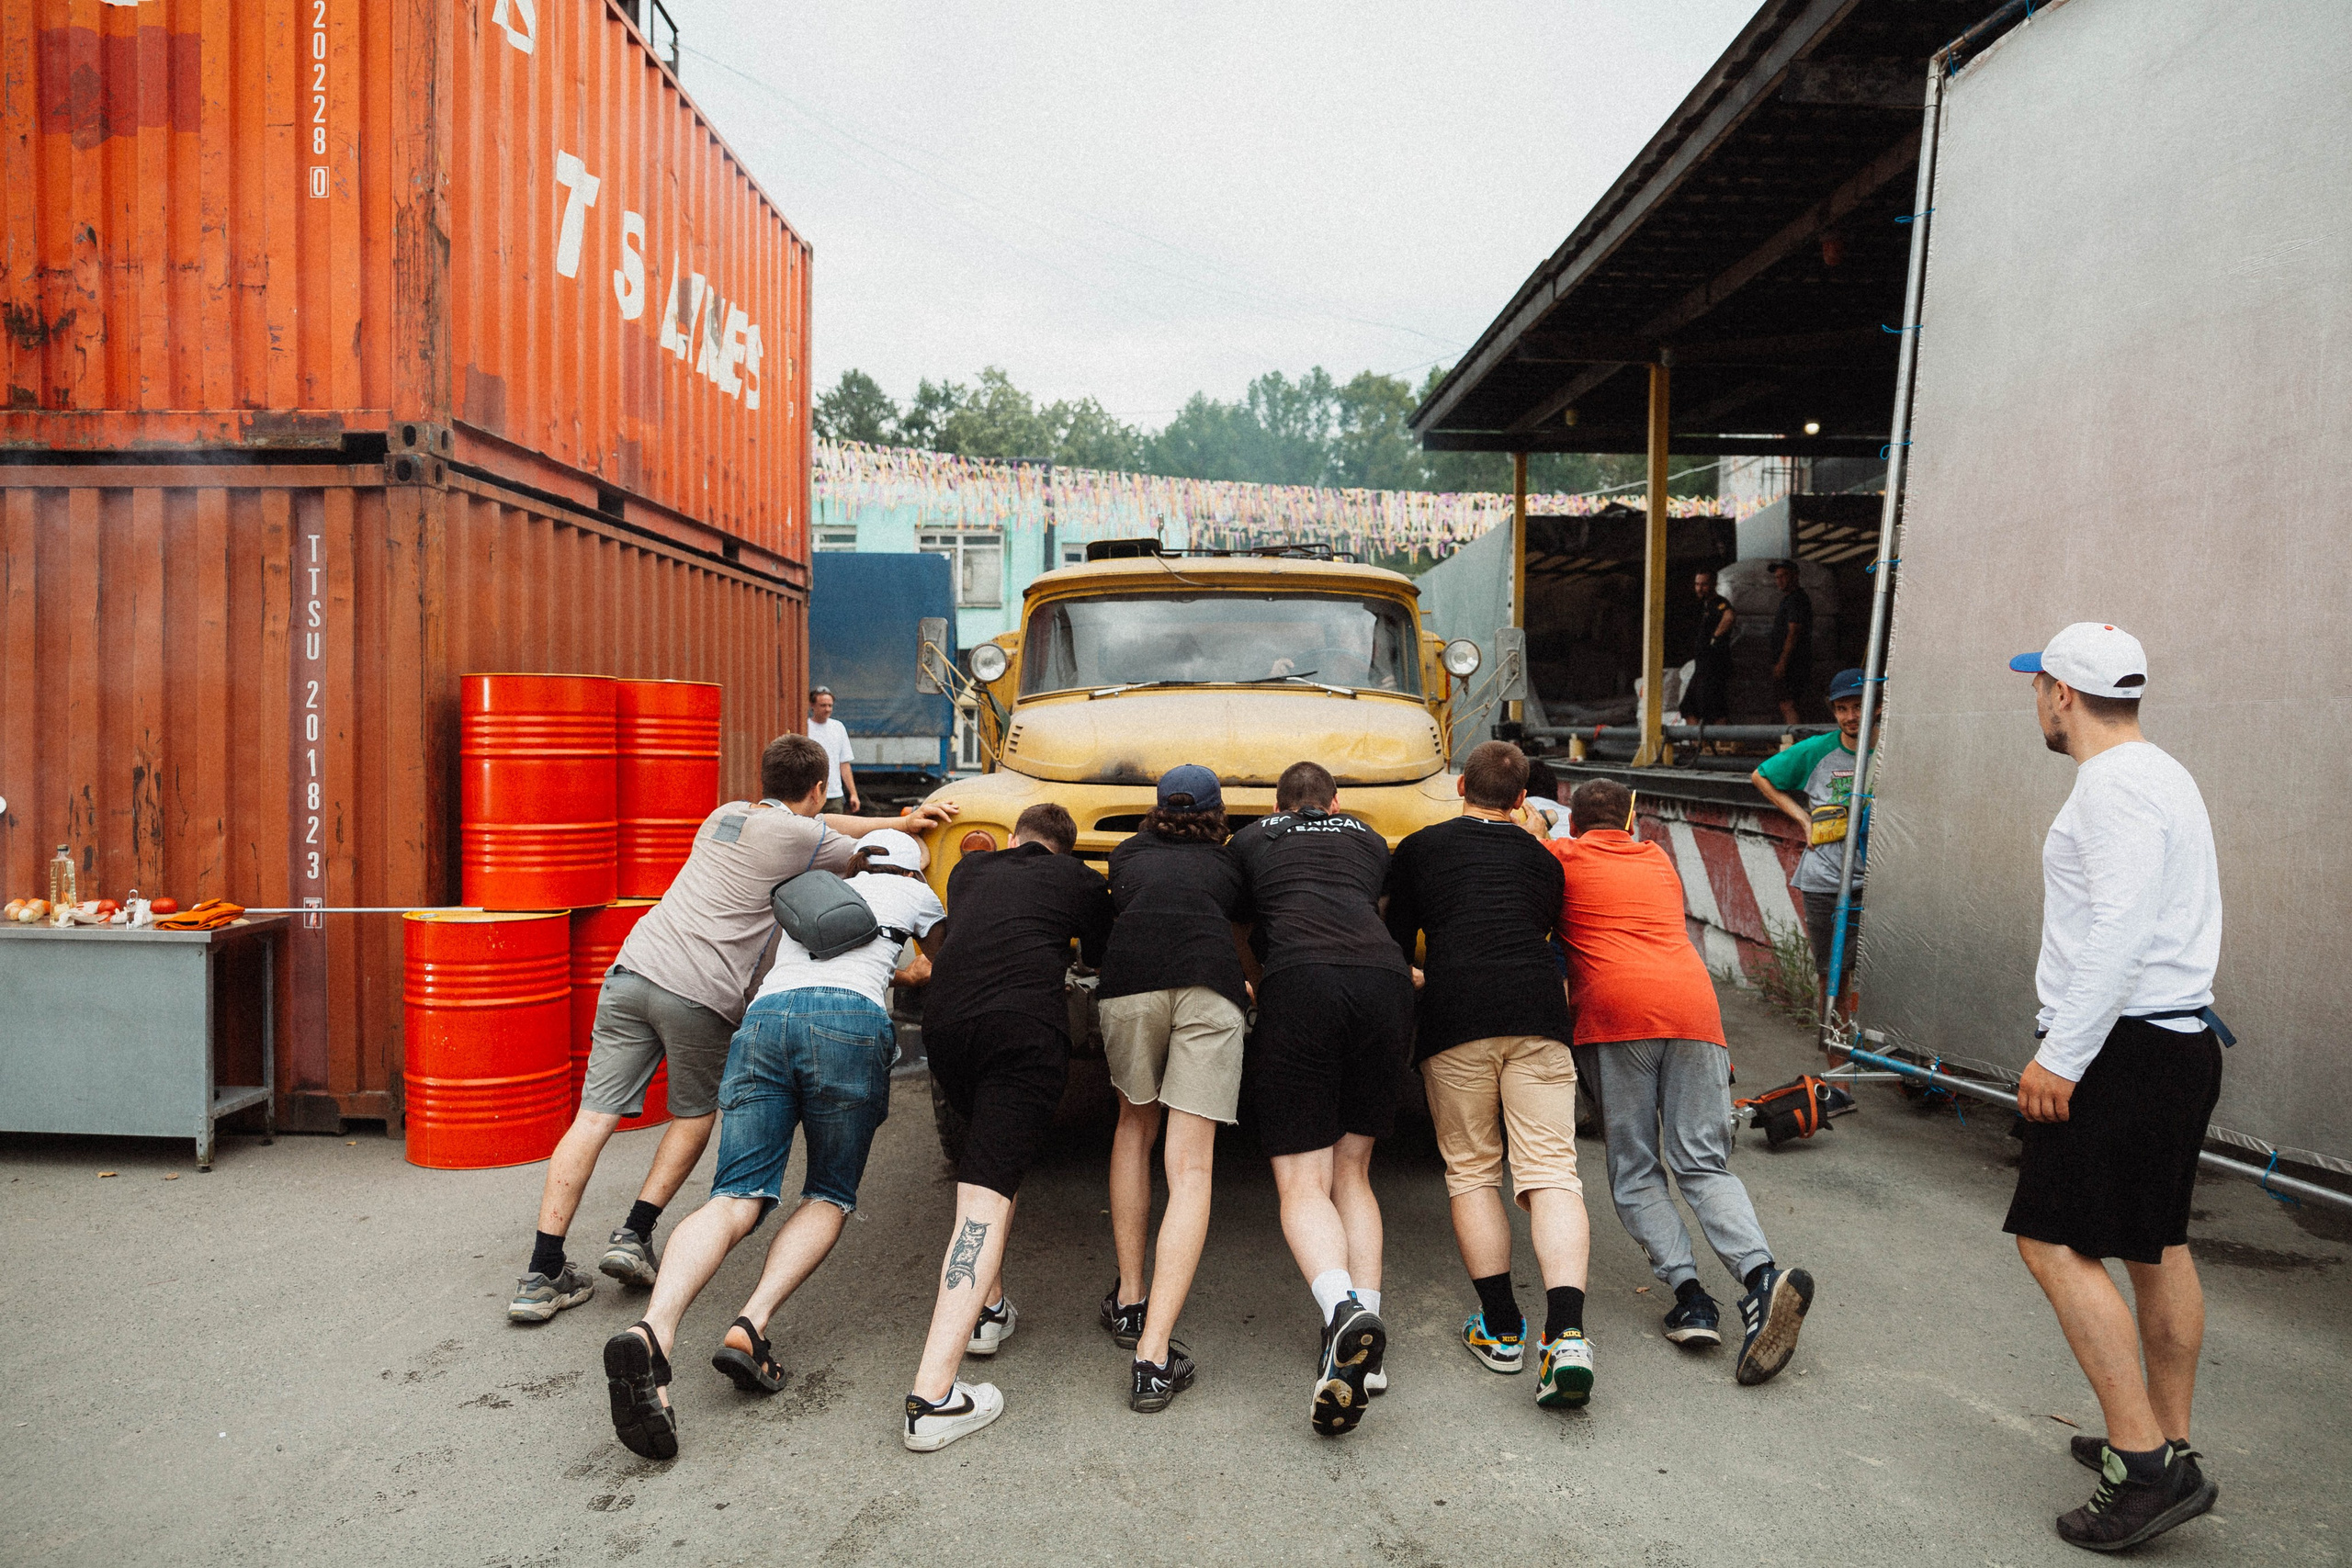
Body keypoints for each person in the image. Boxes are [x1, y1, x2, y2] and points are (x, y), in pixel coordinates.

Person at [507, 736, 953, 1325]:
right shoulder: (810, 840)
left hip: (633, 966)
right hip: (698, 990)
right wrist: (904, 823)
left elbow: (810, 817)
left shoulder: (724, 815)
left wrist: (888, 813)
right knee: (693, 1115)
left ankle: (542, 1272)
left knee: (594, 1117)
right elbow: (867, 849)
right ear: (819, 789)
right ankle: (634, 1234)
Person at [601, 829, 944, 1459]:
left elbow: (784, 965)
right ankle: (749, 1325)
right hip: (847, 1022)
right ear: (914, 871)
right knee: (828, 1193)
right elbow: (943, 963)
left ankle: (653, 1331)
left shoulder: (818, 892)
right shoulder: (916, 894)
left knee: (736, 1195)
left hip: (766, 1019)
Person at [2003, 622, 2222, 1552]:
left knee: (2050, 1242)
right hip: (2173, 1042)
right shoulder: (2160, 771)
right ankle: (2169, 1442)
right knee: (2153, 1242)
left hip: (2120, 1049)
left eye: (2036, 686)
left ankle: (2138, 1465)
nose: (2035, 701)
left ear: (2058, 691)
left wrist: (2063, 1055)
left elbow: (2121, 932)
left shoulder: (2111, 786)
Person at [1552, 777, 1816, 1385]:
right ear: (1632, 819)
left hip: (1615, 1017)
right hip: (1695, 1011)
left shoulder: (1563, 857)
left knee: (1637, 1167)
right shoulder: (1658, 860)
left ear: (1573, 822)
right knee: (1703, 1164)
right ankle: (1760, 1280)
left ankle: (1692, 1297)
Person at [1383, 742, 1595, 1410]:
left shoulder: (1419, 847)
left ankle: (1501, 1327)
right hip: (1538, 1014)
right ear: (1522, 799)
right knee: (1553, 1171)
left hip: (1456, 1016)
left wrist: (1420, 976)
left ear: (1457, 786)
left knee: (1473, 1168)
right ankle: (1566, 1339)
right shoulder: (1544, 859)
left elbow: (1396, 938)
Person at [901, 802, 1116, 1452]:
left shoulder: (970, 875)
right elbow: (1099, 956)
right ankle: (933, 1395)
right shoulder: (1077, 879)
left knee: (988, 1165)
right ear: (1063, 847)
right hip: (1023, 1033)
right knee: (983, 1202)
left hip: (948, 1029)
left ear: (1018, 836)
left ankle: (988, 1311)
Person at [1228, 761, 1414, 1438]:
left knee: (1302, 1178)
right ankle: (1369, 1326)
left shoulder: (1251, 838)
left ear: (1276, 803)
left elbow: (1239, 921)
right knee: (1353, 1170)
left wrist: (1258, 982)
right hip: (1384, 980)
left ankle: (1342, 1315)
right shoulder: (1367, 835)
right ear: (1336, 799)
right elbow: (1382, 905)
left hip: (1302, 980)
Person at [1096, 764, 1250, 1413]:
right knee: (1190, 1167)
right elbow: (1239, 932)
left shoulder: (1127, 854)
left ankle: (1130, 1297)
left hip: (1130, 982)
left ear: (1157, 809)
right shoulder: (1229, 864)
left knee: (1135, 1125)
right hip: (1211, 984)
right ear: (1217, 813)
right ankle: (1153, 1354)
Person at [1749, 667, 1875, 1023]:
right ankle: (1836, 1064)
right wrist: (1803, 819)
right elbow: (1760, 776)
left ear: (1876, 705)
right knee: (1832, 974)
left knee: (1883, 974)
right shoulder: (1817, 751)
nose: (1851, 717)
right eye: (1842, 709)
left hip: (1880, 881)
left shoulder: (1889, 749)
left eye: (1858, 706)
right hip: (1825, 881)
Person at [1683, 569, 1736, 726]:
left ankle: (1719, 744)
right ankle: (1700, 744)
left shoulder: (1719, 603)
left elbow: (1729, 616)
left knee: (1714, 709)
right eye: (1697, 584)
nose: (1699, 588)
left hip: (1714, 665)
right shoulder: (1703, 606)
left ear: (1714, 584)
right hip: (1703, 665)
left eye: (1704, 584)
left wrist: (1715, 637)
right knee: (1689, 707)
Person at [1768, 559, 1815, 724]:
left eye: (1784, 576)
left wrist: (1783, 661)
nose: (1779, 580)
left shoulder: (1797, 599)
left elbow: (1794, 631)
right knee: (1785, 703)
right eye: (1777, 577)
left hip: (1794, 662)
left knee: (1788, 704)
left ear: (1795, 576)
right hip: (1790, 661)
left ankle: (1796, 743)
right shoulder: (1788, 600)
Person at [808, 686, 858, 814]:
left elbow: (844, 763)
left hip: (834, 795)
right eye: (823, 705)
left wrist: (853, 794)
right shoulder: (805, 727)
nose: (828, 709)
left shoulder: (838, 727)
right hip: (810, 794)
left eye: (830, 705)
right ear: (812, 705)